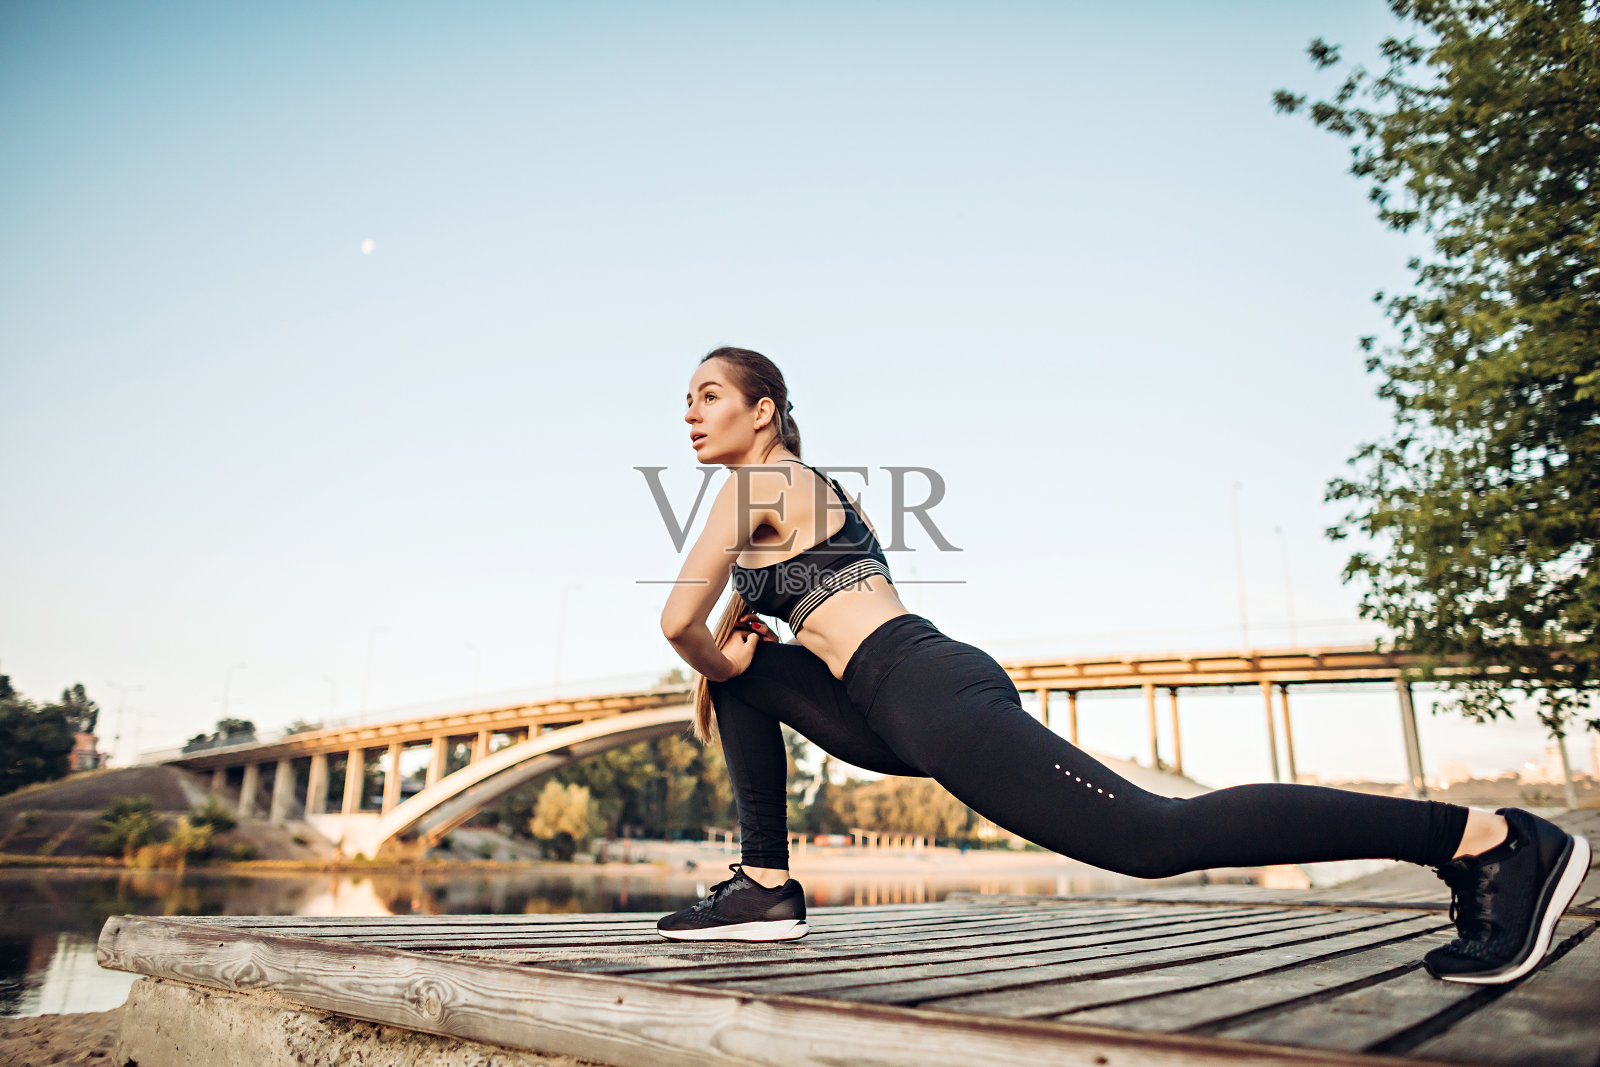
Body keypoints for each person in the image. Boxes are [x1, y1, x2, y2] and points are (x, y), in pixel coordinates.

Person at [654, 346, 1591, 986]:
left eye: (709, 396)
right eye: (686, 400)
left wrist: (716, 647)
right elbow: (721, 644)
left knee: (1153, 838)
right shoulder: (787, 496)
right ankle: (764, 884)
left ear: (763, 409)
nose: (690, 414)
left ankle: (1485, 838)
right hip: (889, 701)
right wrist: (737, 657)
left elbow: (674, 621)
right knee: (747, 675)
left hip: (924, 688)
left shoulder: (759, 483)